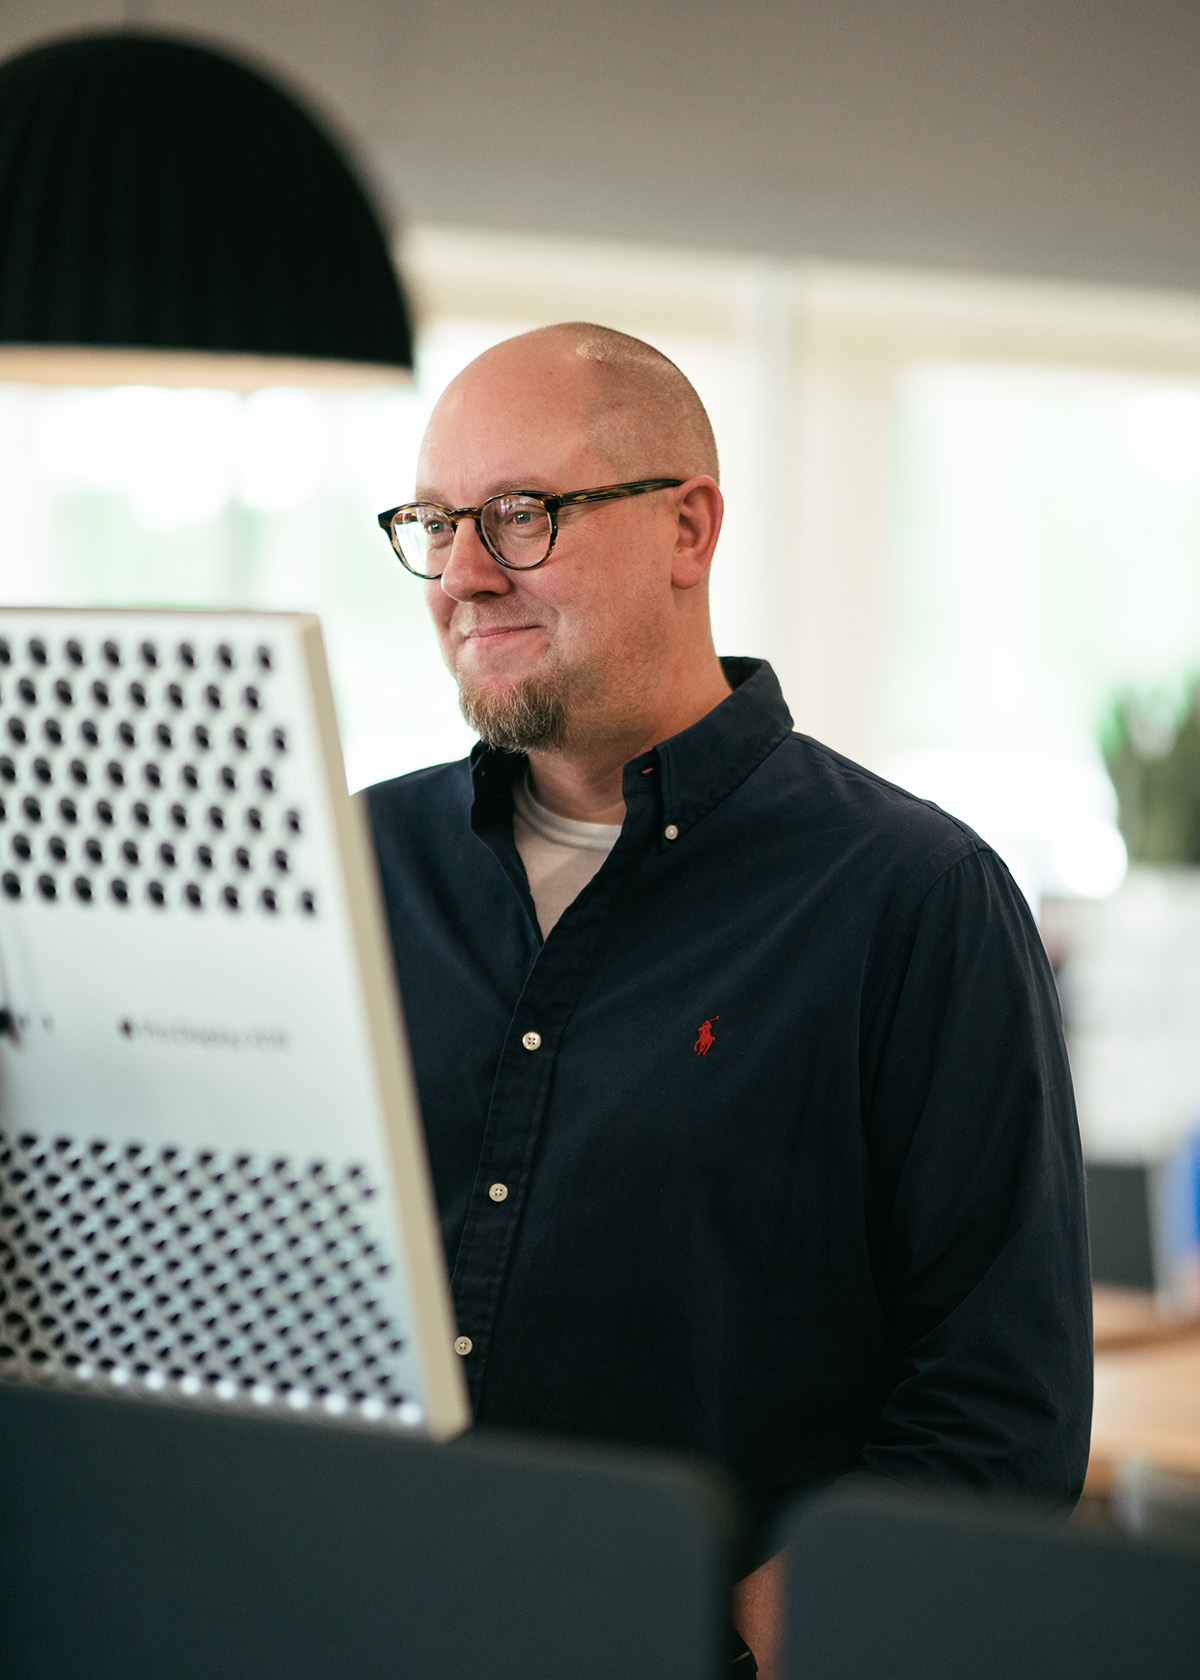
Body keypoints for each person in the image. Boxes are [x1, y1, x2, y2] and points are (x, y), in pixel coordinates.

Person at [366, 322, 1093, 1677]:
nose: (463, 572)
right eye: (436, 522)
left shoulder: (913, 899)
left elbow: (999, 1420)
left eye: (520, 514)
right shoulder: (346, 868)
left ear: (688, 528)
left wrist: (724, 1649)